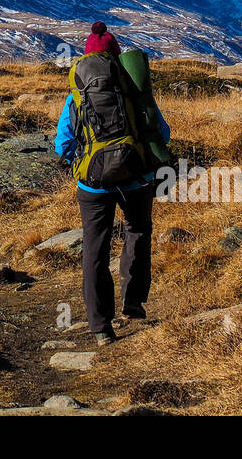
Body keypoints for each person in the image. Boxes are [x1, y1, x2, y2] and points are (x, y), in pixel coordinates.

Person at [54, 41, 170, 346]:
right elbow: (163, 133)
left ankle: (101, 326)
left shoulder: (76, 97)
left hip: (92, 185)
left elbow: (62, 145)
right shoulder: (133, 90)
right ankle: (133, 303)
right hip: (136, 179)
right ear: (116, 58)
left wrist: (86, 161)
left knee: (95, 248)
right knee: (138, 231)